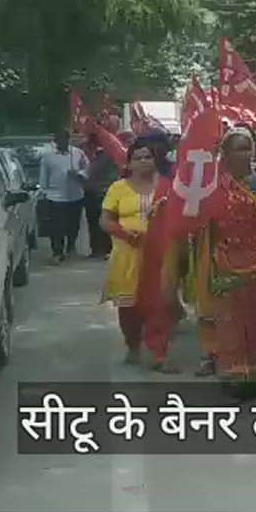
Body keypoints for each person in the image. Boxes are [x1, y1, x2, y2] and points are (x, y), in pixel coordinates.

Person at [189, 128, 256, 396]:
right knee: (230, 320)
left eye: (248, 149)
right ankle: (234, 374)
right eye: (238, 149)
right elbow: (202, 225)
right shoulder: (213, 189)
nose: (244, 155)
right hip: (225, 263)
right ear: (225, 154)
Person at [99, 142, 167, 366]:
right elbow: (105, 221)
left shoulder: (166, 186)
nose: (144, 161)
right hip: (127, 255)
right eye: (138, 158)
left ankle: (158, 353)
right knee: (128, 308)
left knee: (159, 303)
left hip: (159, 254)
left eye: (148, 156)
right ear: (129, 163)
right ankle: (133, 345)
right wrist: (125, 233)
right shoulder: (118, 188)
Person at [39, 130, 89, 263]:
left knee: (73, 224)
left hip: (75, 195)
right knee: (56, 226)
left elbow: (87, 169)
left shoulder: (77, 153)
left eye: (65, 139)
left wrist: (79, 174)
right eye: (59, 140)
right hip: (55, 196)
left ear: (68, 140)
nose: (62, 142)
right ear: (55, 141)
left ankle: (71, 247)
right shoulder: (48, 156)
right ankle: (57, 251)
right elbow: (43, 177)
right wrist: (44, 193)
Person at [83, 134, 119, 259]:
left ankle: (106, 249)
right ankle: (96, 249)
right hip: (93, 192)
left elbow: (92, 171)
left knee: (104, 221)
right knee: (93, 222)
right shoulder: (95, 156)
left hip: (103, 192)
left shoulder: (104, 156)